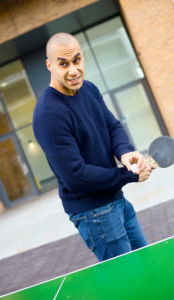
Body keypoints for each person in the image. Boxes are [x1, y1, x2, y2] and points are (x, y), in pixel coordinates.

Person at [33, 32, 154, 262]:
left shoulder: (89, 89)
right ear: (50, 65)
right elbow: (75, 176)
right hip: (94, 214)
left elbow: (113, 127)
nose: (73, 70)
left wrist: (125, 152)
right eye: (63, 64)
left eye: (77, 60)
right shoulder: (49, 114)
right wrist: (129, 175)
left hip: (116, 200)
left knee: (145, 264)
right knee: (126, 282)